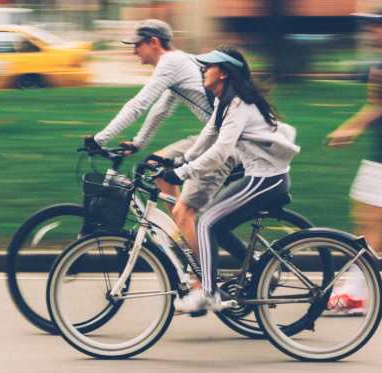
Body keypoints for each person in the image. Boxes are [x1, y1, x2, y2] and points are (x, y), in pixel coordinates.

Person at [85, 19, 245, 262]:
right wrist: (138, 142)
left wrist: (100, 138)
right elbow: (161, 110)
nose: (133, 51)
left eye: (137, 45)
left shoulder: (170, 63)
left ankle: (203, 276)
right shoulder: (178, 63)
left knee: (185, 212)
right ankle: (184, 234)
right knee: (156, 166)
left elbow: (139, 104)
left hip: (226, 143)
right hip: (214, 136)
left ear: (154, 42)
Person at [160, 47, 300, 313]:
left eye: (208, 67)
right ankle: (260, 268)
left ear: (223, 73)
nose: (203, 70)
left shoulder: (239, 105)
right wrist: (179, 160)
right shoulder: (225, 102)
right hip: (259, 178)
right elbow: (208, 136)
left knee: (205, 223)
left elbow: (221, 152)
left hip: (266, 181)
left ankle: (209, 293)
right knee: (217, 226)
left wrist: (181, 173)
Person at [326, 12, 382, 315]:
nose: (370, 30)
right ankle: (356, 289)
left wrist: (352, 128)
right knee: (368, 221)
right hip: (376, 156)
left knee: (368, 222)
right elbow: (375, 106)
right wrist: (351, 128)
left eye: (375, 25)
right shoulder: (379, 65)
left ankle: (354, 293)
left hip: (380, 160)